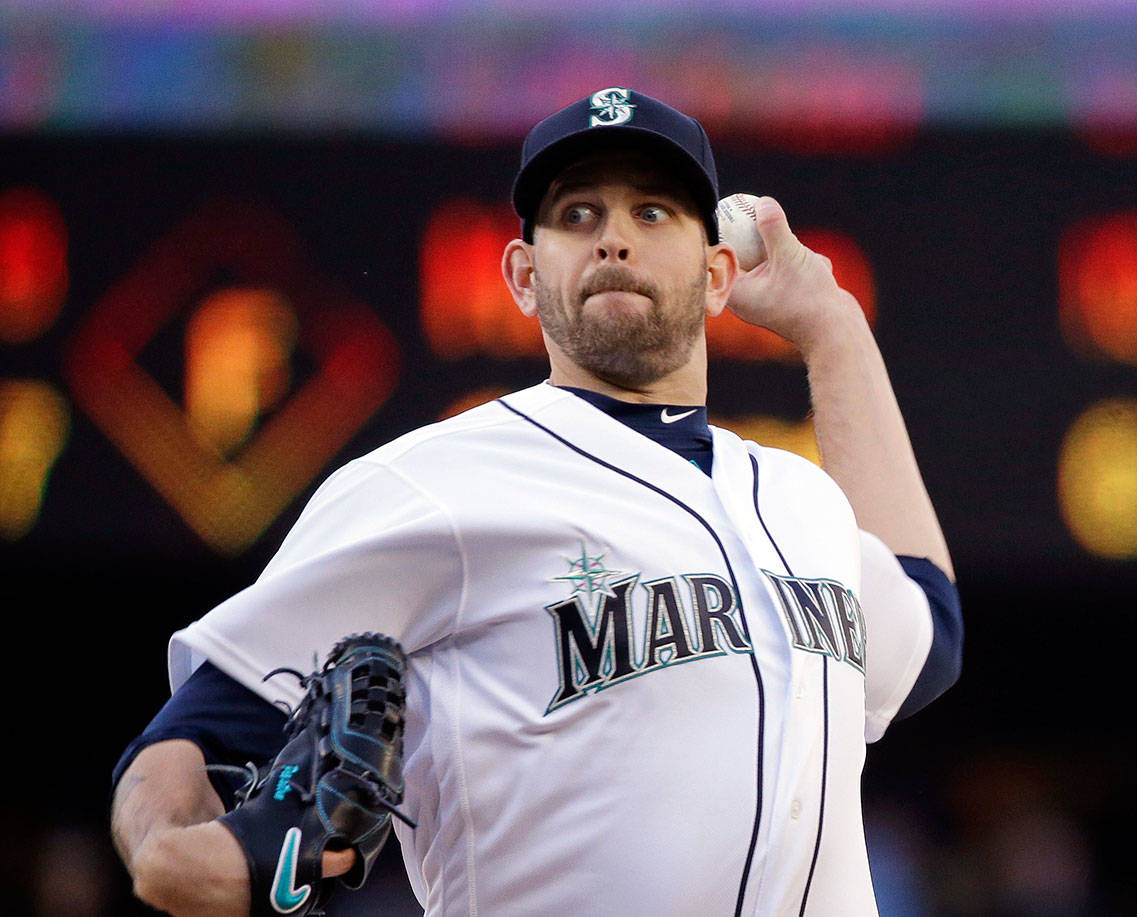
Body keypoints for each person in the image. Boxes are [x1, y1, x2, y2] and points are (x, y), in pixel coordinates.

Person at [110, 87, 962, 916]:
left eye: (653, 212)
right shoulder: (432, 485)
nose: (614, 240)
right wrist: (170, 851)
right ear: (523, 273)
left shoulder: (799, 497)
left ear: (717, 276)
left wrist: (833, 327)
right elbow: (189, 739)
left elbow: (928, 634)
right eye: (578, 215)